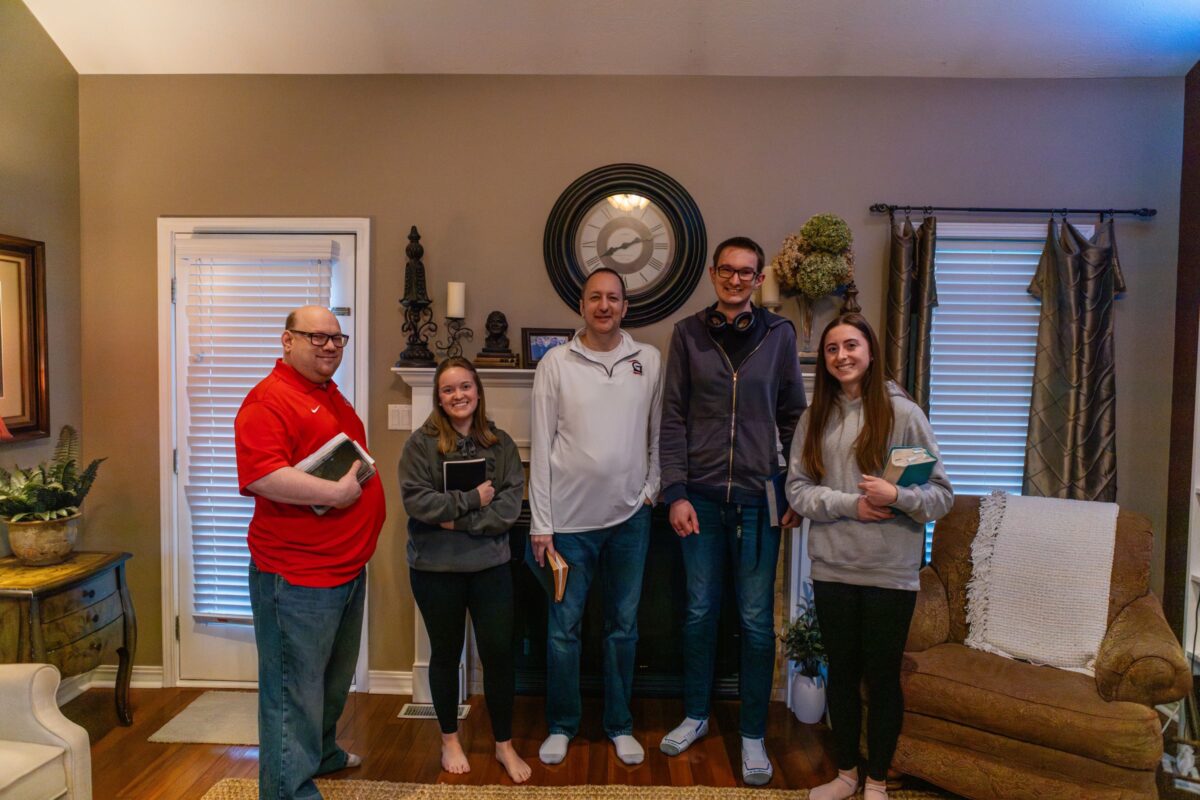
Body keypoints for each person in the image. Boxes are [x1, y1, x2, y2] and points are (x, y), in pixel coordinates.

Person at [784, 313, 953, 800]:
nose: (842, 356)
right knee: (841, 674)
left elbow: (942, 495)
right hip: (833, 569)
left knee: (881, 679)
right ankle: (845, 775)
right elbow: (797, 490)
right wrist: (850, 504)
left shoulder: (905, 415)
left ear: (871, 351)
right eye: (832, 349)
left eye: (851, 345)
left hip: (889, 574)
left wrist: (896, 496)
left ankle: (877, 780)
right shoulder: (814, 418)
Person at [658, 236, 807, 785]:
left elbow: (794, 417)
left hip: (758, 498)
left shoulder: (779, 334)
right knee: (699, 612)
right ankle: (696, 714)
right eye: (727, 270)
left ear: (758, 278)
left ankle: (752, 734)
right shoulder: (688, 334)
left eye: (746, 272)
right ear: (713, 274)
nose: (736, 279)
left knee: (755, 621)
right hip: (698, 498)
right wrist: (675, 492)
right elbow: (672, 416)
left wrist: (792, 489)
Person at [234, 305, 386, 800]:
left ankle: (322, 753)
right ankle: (289, 790)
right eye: (316, 337)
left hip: (344, 568)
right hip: (297, 576)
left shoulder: (325, 392)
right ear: (287, 340)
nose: (329, 346)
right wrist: (334, 495)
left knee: (331, 682)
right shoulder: (268, 400)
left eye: (337, 338)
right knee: (292, 694)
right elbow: (262, 475)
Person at [529, 267, 663, 767]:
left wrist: (652, 489)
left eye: (613, 298)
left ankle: (620, 724)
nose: (604, 306)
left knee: (623, 628)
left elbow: (658, 432)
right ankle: (562, 725)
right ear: (581, 305)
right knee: (563, 630)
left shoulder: (648, 359)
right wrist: (541, 523)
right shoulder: (556, 363)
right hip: (568, 526)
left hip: (631, 520)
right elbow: (540, 445)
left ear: (625, 306)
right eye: (594, 298)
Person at [398, 356, 531, 783]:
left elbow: (508, 507)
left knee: (499, 655)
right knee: (445, 654)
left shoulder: (501, 443)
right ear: (439, 398)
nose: (458, 395)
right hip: (435, 569)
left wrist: (456, 521)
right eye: (448, 389)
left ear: (478, 391)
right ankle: (449, 739)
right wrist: (473, 500)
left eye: (465, 387)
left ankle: (503, 744)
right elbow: (418, 502)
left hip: (491, 567)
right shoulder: (420, 445)